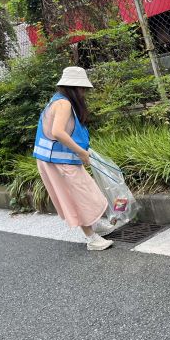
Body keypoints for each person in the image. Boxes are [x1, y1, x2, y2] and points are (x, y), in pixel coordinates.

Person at [33, 66, 114, 251]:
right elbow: (58, 132)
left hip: (56, 160)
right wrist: (81, 152)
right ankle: (91, 238)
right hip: (57, 163)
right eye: (82, 88)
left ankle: (94, 224)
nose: (84, 93)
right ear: (75, 88)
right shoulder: (64, 104)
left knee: (86, 191)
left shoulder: (57, 100)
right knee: (77, 196)